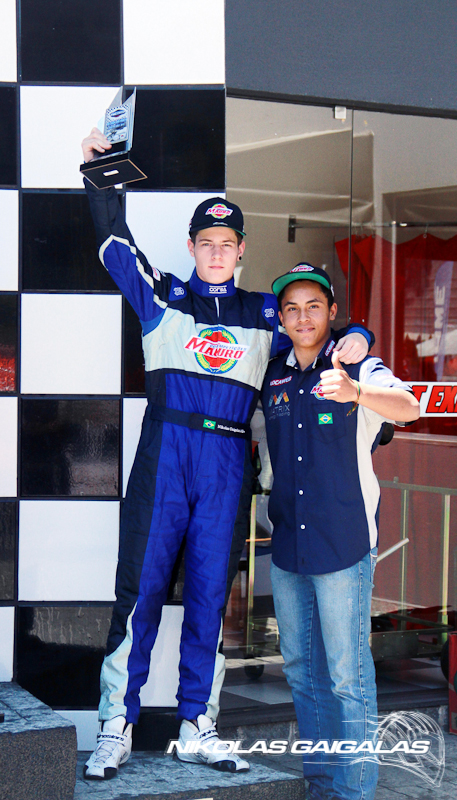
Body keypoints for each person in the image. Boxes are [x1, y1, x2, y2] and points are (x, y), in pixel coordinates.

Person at [81, 128, 373, 781]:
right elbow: (113, 243)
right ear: (191, 247)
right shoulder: (162, 295)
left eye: (227, 243)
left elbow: (316, 325)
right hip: (166, 454)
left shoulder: (265, 314)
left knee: (212, 598)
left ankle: (198, 726)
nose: (216, 252)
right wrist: (100, 172)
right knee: (139, 594)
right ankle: (114, 727)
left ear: (241, 250)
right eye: (205, 242)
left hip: (226, 461)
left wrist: (359, 332)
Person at [260, 264, 420, 800]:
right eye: (292, 308)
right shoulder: (273, 373)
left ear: (332, 311)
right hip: (289, 547)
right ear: (282, 318)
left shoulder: (358, 365)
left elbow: (410, 407)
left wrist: (356, 391)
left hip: (344, 546)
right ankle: (322, 785)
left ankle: (353, 792)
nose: (302, 317)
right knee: (302, 673)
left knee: (348, 678)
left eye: (313, 306)